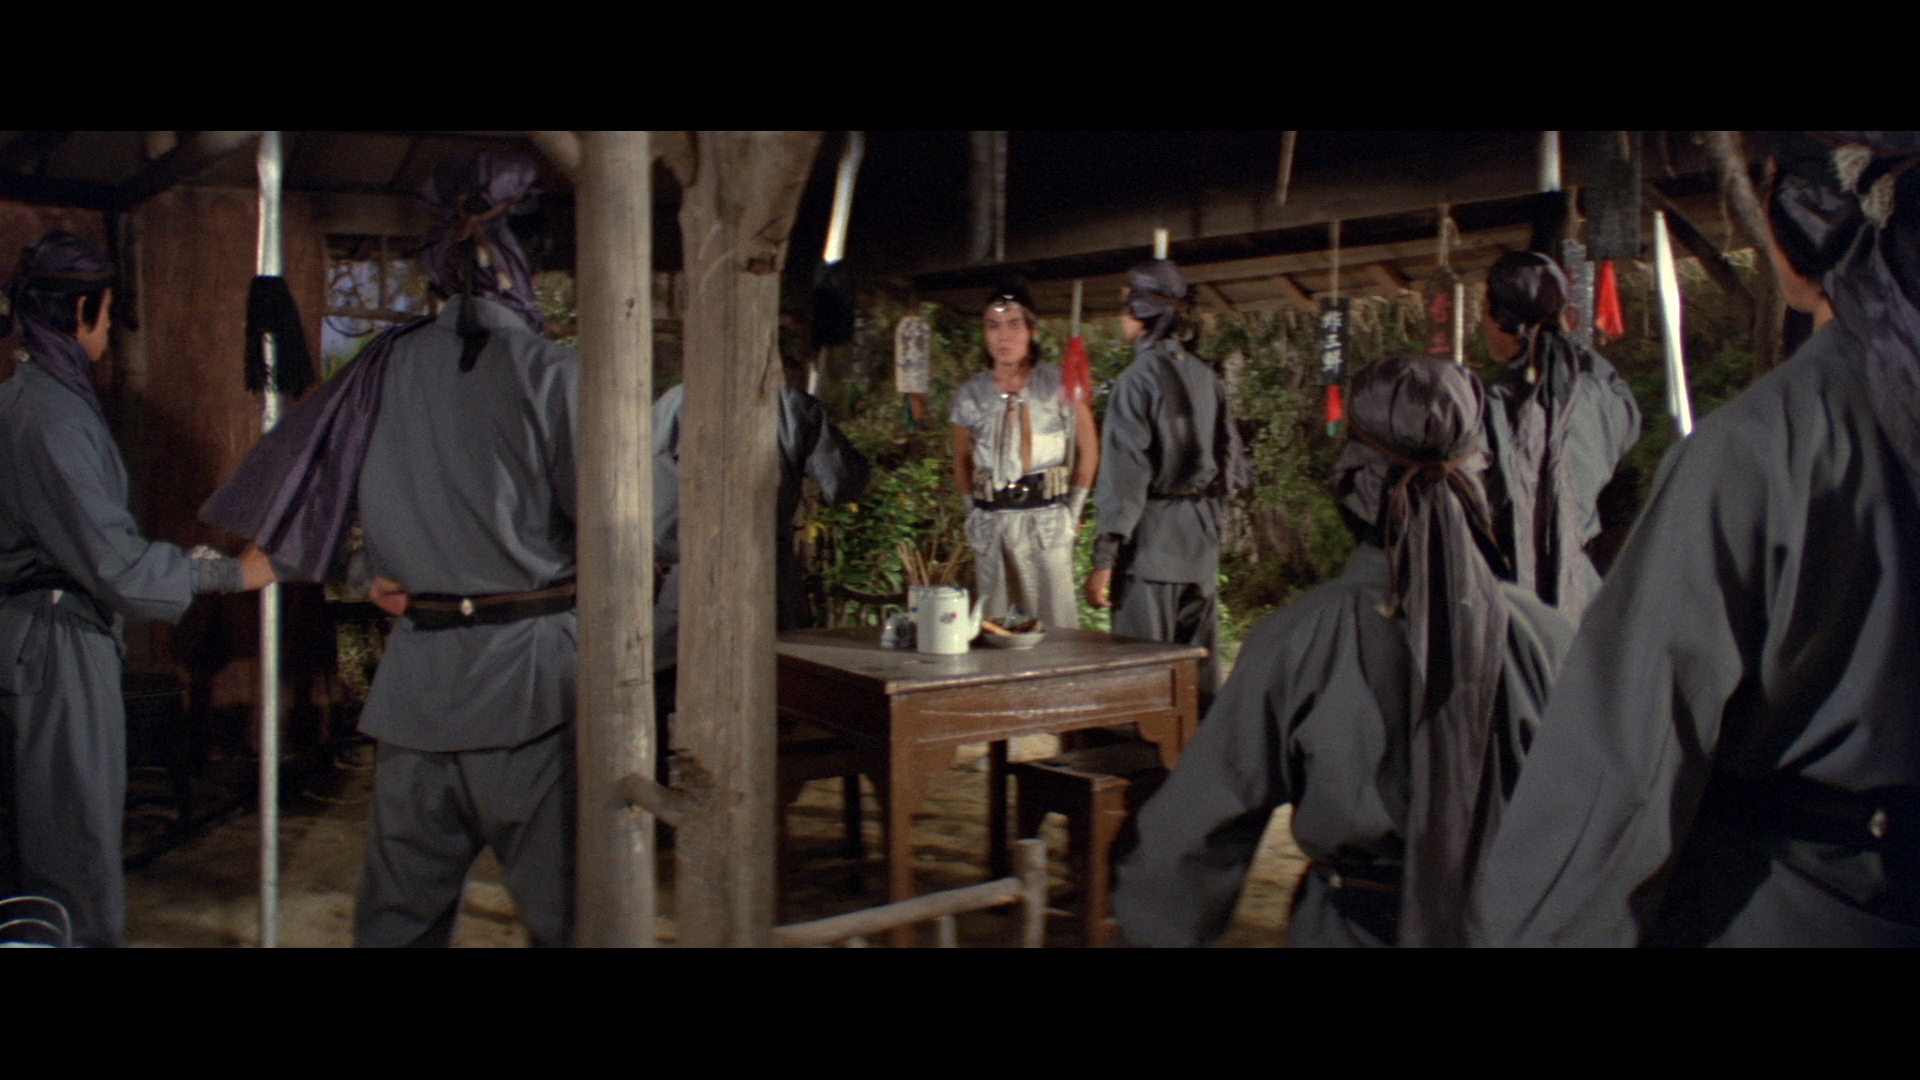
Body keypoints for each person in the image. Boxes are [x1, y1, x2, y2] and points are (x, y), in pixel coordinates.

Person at [1470, 132, 1920, 947]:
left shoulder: (1761, 451)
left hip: (1797, 904)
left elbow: (1626, 776)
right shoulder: (1609, 395)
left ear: (1784, 226)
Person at [1113, 356, 1572, 947]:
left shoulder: (1299, 639)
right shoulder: (1548, 638)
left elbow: (1198, 831)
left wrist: (1154, 927)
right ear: (1480, 477)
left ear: (1355, 478)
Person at [0, 232, 272, 946]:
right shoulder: (49, 419)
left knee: (50, 833)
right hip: (54, 639)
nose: (106, 335)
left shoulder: (36, 401)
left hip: (44, 631)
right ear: (82, 311)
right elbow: (114, 564)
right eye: (106, 312)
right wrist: (231, 572)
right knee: (71, 841)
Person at [651, 356, 869, 723]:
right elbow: (844, 482)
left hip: (691, 581)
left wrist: (672, 548)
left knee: (681, 696)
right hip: (768, 581)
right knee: (774, 703)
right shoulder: (790, 406)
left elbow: (655, 512)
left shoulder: (675, 403)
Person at [1085, 260, 1249, 697]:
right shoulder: (1205, 376)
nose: (1122, 316)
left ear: (1141, 313)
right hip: (1199, 544)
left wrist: (1104, 559)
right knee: (1199, 681)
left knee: (1145, 682)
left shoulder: (1136, 381)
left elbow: (1125, 477)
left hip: (1151, 549)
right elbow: (1229, 462)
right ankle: (1207, 743)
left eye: (1126, 306)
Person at [1479, 250, 1640, 622]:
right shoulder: (1603, 392)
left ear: (1498, 320)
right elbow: (1625, 423)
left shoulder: (1488, 409)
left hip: (1513, 595)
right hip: (1586, 591)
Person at [950, 279, 1097, 630]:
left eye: (1014, 325)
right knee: (997, 627)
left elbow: (1089, 449)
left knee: (1056, 626)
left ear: (1031, 330)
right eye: (993, 326)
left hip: (1046, 523)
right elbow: (960, 459)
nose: (1003, 336)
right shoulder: (971, 394)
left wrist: (1073, 511)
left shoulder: (1060, 384)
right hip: (993, 523)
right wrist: (973, 513)